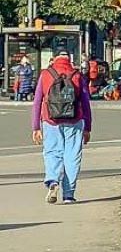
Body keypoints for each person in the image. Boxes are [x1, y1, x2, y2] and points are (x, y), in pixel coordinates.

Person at [32, 46, 90, 205]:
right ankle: (69, 195)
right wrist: (87, 128)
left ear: (54, 58)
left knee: (52, 152)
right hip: (75, 120)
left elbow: (37, 101)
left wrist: (36, 127)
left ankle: (53, 181)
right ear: (69, 59)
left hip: (50, 120)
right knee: (72, 156)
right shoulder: (77, 75)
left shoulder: (46, 74)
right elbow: (85, 103)